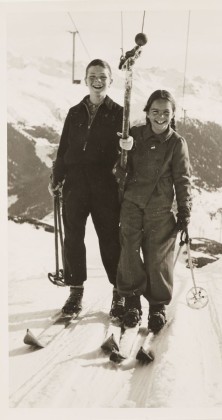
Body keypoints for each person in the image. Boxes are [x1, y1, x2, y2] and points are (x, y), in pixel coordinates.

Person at [48, 59, 125, 318]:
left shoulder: (119, 113)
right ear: (86, 78)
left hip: (104, 184)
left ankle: (119, 293)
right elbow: (63, 150)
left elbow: (126, 152)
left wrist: (129, 148)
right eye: (93, 75)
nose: (97, 80)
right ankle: (75, 291)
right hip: (75, 184)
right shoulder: (74, 112)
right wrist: (57, 178)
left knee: (110, 239)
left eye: (103, 76)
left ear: (111, 80)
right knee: (73, 239)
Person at [114, 89, 192, 333]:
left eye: (165, 113)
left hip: (160, 208)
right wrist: (123, 149)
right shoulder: (134, 135)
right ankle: (132, 300)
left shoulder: (177, 143)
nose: (160, 117)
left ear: (172, 115)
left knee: (158, 257)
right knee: (128, 251)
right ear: (147, 112)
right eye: (155, 112)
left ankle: (157, 306)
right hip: (132, 204)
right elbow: (118, 168)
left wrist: (184, 209)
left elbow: (182, 179)